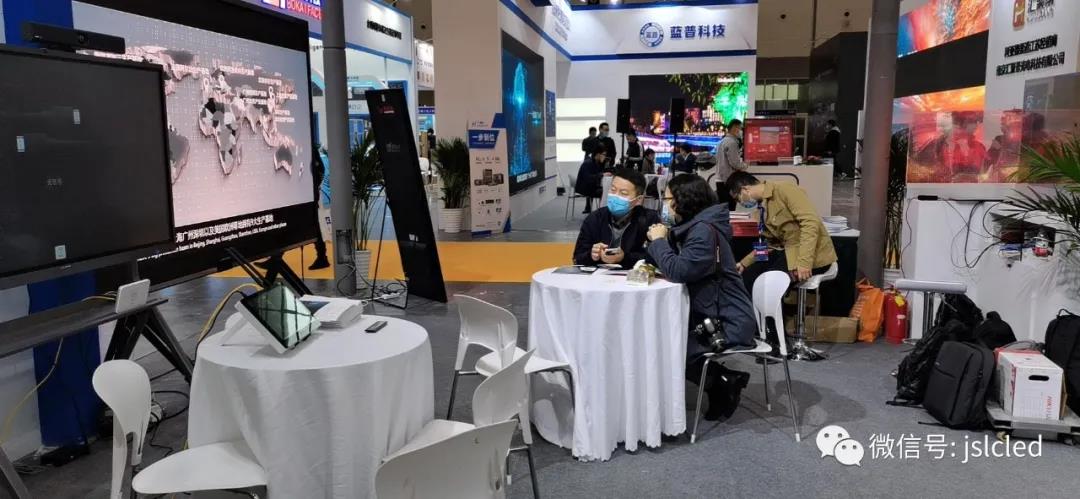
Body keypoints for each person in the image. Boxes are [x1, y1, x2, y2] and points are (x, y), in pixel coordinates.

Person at [645, 174, 756, 421]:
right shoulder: (696, 228)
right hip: (710, 315)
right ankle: (722, 382)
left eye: (668, 199)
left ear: (684, 200)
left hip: (727, 321)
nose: (665, 205)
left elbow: (679, 271)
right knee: (661, 339)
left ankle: (721, 382)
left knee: (666, 344)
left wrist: (660, 241)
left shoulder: (702, 232)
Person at [726, 172, 837, 294]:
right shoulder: (760, 209)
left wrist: (804, 262)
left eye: (737, 198)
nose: (739, 203)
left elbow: (810, 223)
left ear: (745, 189)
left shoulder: (784, 189)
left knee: (769, 284)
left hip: (810, 256)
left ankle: (771, 307)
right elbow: (770, 244)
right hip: (787, 252)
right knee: (747, 277)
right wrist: (744, 263)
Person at [572, 168, 660, 270]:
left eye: (623, 193)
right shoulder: (595, 218)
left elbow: (658, 258)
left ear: (638, 200)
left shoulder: (649, 220)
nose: (615, 196)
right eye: (613, 190)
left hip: (634, 277)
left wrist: (624, 257)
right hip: (599, 277)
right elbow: (577, 258)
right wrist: (592, 255)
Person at [703, 119, 747, 208]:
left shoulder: (722, 141)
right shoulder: (732, 142)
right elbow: (735, 163)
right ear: (735, 128)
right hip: (728, 180)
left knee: (724, 208)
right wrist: (745, 165)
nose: (742, 131)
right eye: (741, 128)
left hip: (721, 180)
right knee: (730, 208)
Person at [309, 148, 330, 270]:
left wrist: (314, 187)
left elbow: (320, 170)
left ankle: (322, 257)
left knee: (315, 227)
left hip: (309, 196)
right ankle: (276, 259)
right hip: (307, 194)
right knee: (314, 226)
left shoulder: (311, 149)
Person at [575, 146, 609, 214]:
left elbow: (598, 174)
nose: (605, 157)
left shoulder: (596, 162)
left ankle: (596, 210)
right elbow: (588, 178)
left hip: (591, 186)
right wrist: (602, 174)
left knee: (605, 190)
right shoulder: (588, 163)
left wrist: (603, 164)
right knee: (605, 192)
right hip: (585, 188)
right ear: (598, 154)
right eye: (604, 154)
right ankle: (601, 212)